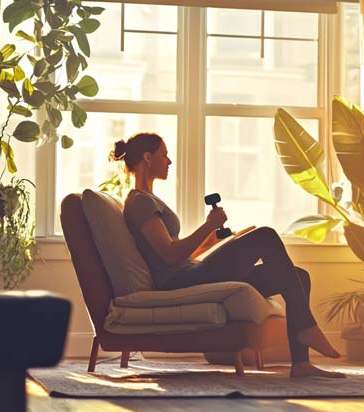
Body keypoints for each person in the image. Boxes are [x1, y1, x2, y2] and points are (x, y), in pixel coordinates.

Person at [112, 133, 344, 378]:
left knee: (298, 276)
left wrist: (209, 239)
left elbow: (173, 252)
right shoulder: (140, 202)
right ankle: (306, 327)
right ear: (147, 158)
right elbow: (169, 256)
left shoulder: (148, 200)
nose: (169, 161)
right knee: (265, 236)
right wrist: (208, 225)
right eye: (164, 155)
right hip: (179, 281)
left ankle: (301, 364)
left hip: (188, 271)